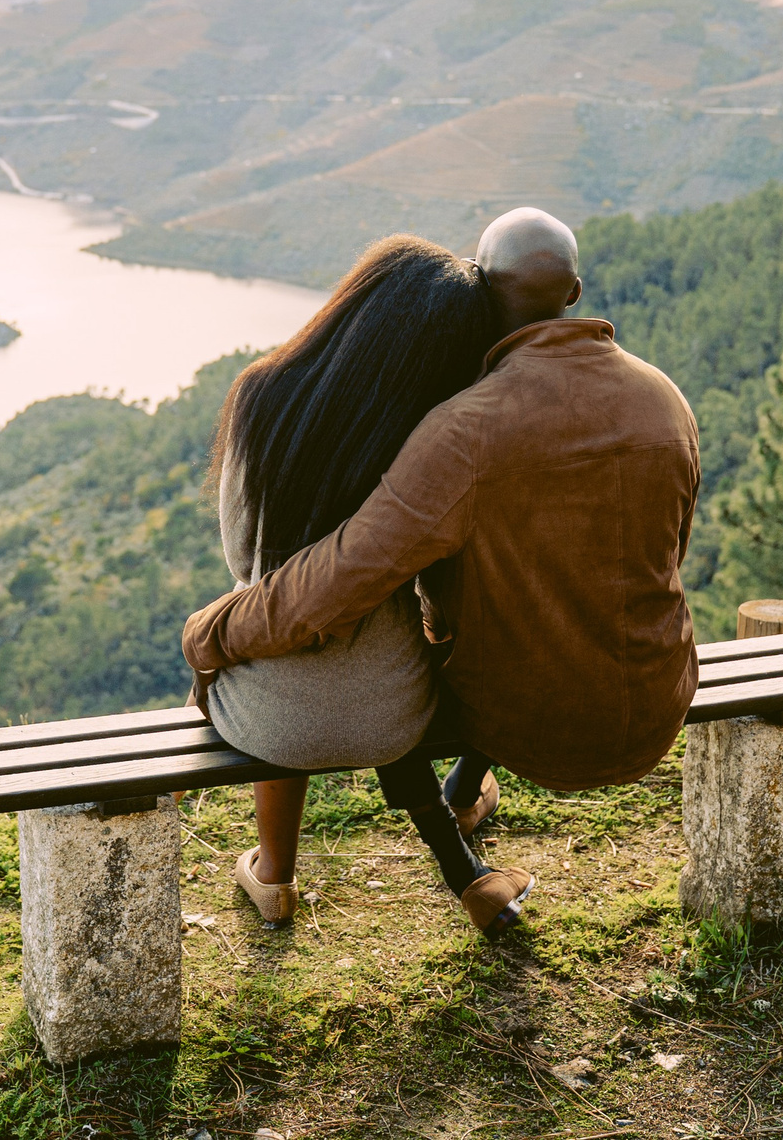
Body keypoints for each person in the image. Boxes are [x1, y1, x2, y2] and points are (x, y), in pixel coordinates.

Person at [185, 206, 703, 934]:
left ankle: (281, 872)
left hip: (528, 722)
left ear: (483, 294)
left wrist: (210, 633)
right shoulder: (665, 399)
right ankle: (461, 820)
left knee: (353, 643)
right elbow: (669, 547)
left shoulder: (464, 429)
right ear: (576, 292)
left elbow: (332, 583)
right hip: (657, 700)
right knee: (419, 638)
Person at [197, 234, 497, 928]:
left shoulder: (261, 395)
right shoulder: (432, 435)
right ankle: (463, 804)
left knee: (271, 641)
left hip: (269, 721)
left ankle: (274, 876)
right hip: (395, 718)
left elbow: (246, 562)